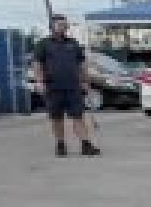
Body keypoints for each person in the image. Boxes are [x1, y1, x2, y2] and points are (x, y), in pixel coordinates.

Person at [30, 15, 100, 158]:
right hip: (53, 87)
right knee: (56, 118)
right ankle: (60, 145)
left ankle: (86, 144)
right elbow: (37, 65)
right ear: (52, 26)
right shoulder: (43, 44)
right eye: (60, 24)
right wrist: (39, 82)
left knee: (78, 117)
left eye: (64, 24)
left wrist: (86, 82)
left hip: (73, 87)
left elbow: (81, 65)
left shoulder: (73, 44)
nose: (63, 27)